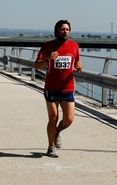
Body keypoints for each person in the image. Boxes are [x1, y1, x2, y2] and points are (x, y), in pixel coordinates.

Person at [34, 20, 83, 158]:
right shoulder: (48, 46)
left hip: (67, 88)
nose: (65, 31)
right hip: (51, 88)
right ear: (56, 31)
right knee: (53, 117)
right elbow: (36, 66)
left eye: (67, 29)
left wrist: (79, 67)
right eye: (62, 29)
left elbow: (76, 63)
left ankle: (56, 132)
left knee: (68, 119)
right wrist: (48, 59)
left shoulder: (74, 46)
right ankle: (51, 147)